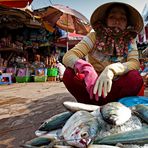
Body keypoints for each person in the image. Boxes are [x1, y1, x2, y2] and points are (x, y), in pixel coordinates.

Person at [62, 2, 144, 105]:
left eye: (122, 18)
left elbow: (134, 63)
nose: (117, 21)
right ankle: (89, 104)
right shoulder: (94, 36)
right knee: (69, 74)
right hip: (92, 87)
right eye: (112, 17)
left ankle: (116, 106)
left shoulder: (130, 41)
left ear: (127, 23)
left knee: (135, 77)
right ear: (105, 20)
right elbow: (68, 56)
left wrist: (111, 70)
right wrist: (86, 67)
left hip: (116, 88)